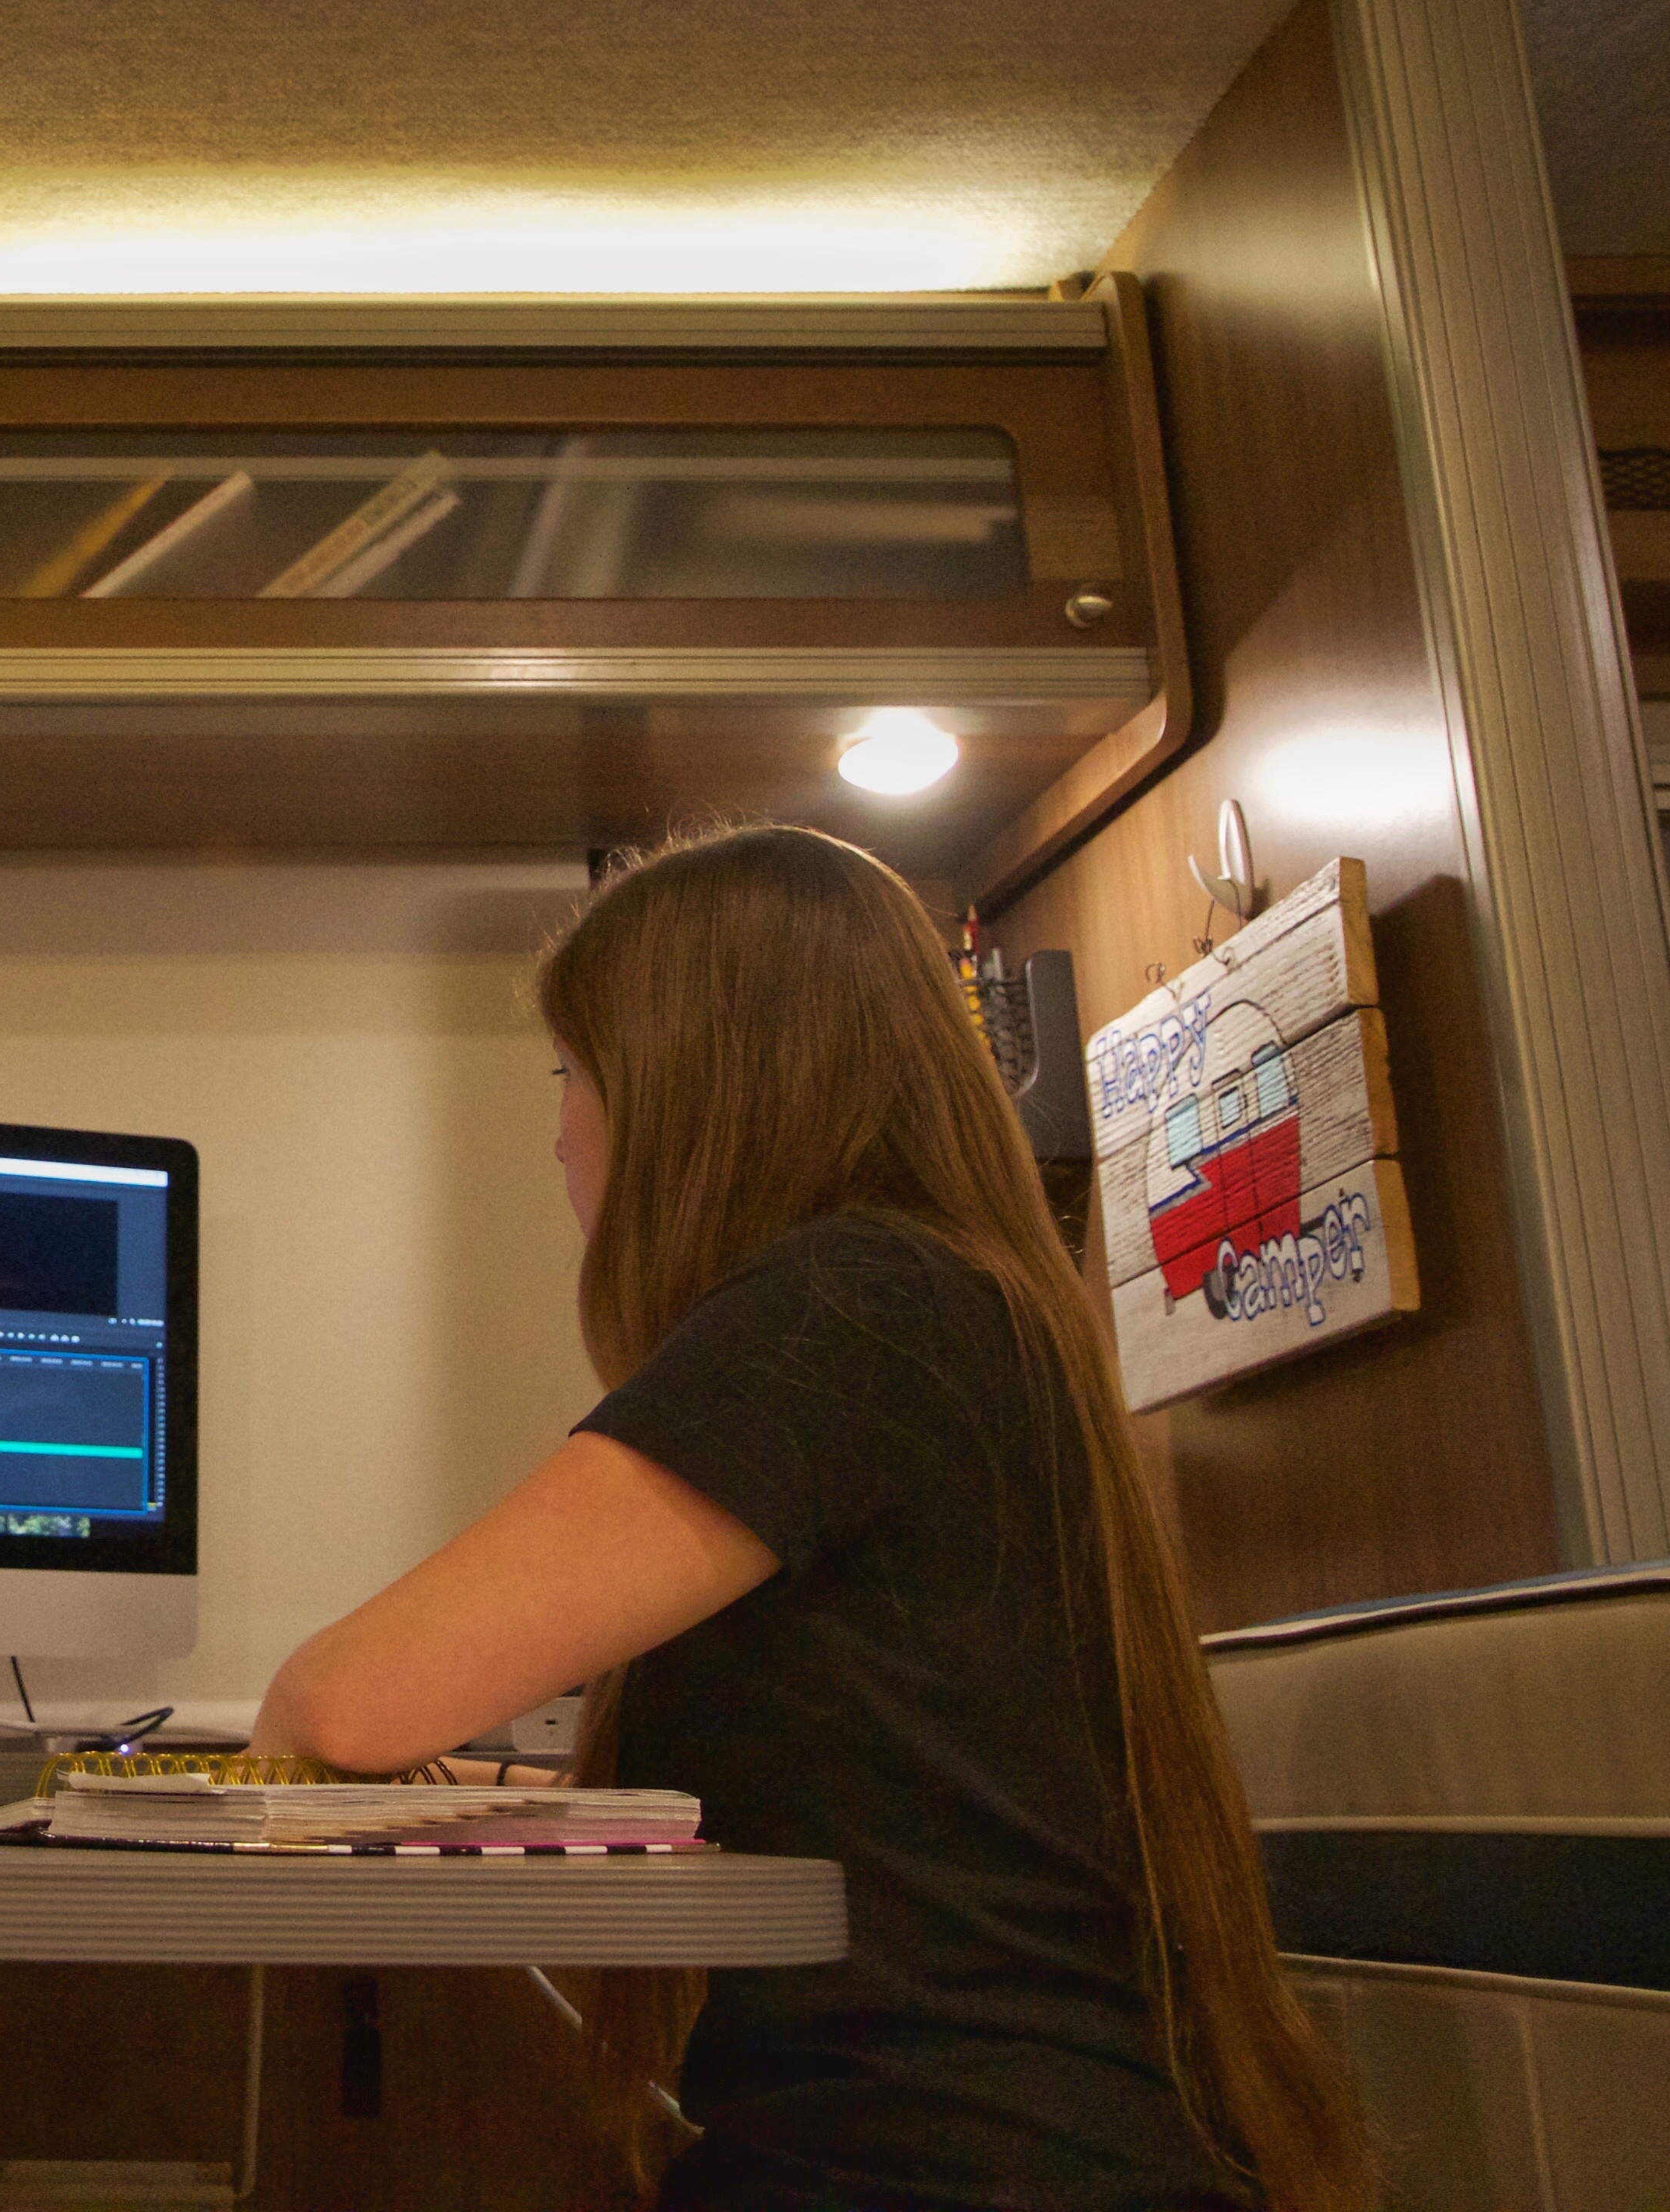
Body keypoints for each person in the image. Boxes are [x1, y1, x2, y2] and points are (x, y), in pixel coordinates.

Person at [248, 826, 1369, 2211]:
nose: (558, 1131)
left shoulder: (846, 1310)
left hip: (934, 2168)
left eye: (573, 1073)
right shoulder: (949, 1304)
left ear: (691, 1092)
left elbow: (342, 1705)